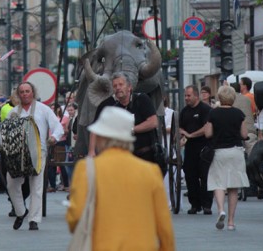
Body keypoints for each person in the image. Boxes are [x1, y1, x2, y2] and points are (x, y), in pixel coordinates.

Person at [66, 107, 174, 250]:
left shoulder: (87, 169)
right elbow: (164, 227)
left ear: (101, 137)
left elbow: (76, 216)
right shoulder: (150, 171)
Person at [7, 82, 64, 231]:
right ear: (18, 95)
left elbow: (58, 127)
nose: (25, 94)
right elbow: (5, 132)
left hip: (38, 152)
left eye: (28, 91)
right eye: (22, 92)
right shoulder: (12, 112)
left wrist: (53, 138)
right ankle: (20, 211)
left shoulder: (44, 109)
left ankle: (34, 220)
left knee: (36, 186)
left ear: (33, 92)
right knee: (12, 183)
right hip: (17, 153)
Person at [204, 86, 250, 231]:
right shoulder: (238, 114)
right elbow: (244, 134)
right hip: (235, 151)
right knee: (233, 187)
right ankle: (231, 222)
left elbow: (208, 134)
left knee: (218, 183)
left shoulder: (213, 113)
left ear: (219, 97)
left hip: (219, 152)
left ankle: (220, 210)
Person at [89, 72, 159, 165]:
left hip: (145, 156)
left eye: (121, 84)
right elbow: (96, 129)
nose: (118, 88)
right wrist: (92, 151)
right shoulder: (112, 108)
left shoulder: (142, 99)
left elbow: (153, 122)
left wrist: (131, 129)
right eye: (115, 86)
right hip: (122, 158)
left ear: (129, 87)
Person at [179, 85, 213, 215]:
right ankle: (194, 204)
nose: (186, 98)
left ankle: (206, 205)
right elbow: (180, 128)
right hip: (190, 148)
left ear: (196, 96)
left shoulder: (206, 110)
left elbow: (207, 128)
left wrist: (191, 135)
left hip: (204, 147)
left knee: (205, 176)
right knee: (190, 176)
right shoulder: (184, 111)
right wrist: (183, 133)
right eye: (185, 95)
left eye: (189, 95)